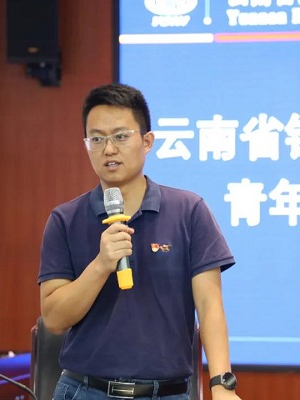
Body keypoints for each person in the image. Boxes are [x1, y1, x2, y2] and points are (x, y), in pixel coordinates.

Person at [38, 82, 241, 400]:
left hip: (167, 393)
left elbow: (209, 305)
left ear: (147, 141)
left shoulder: (189, 211)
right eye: (97, 139)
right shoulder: (65, 220)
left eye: (120, 136)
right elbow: (53, 319)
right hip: (85, 390)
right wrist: (101, 265)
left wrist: (221, 384)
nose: (108, 149)